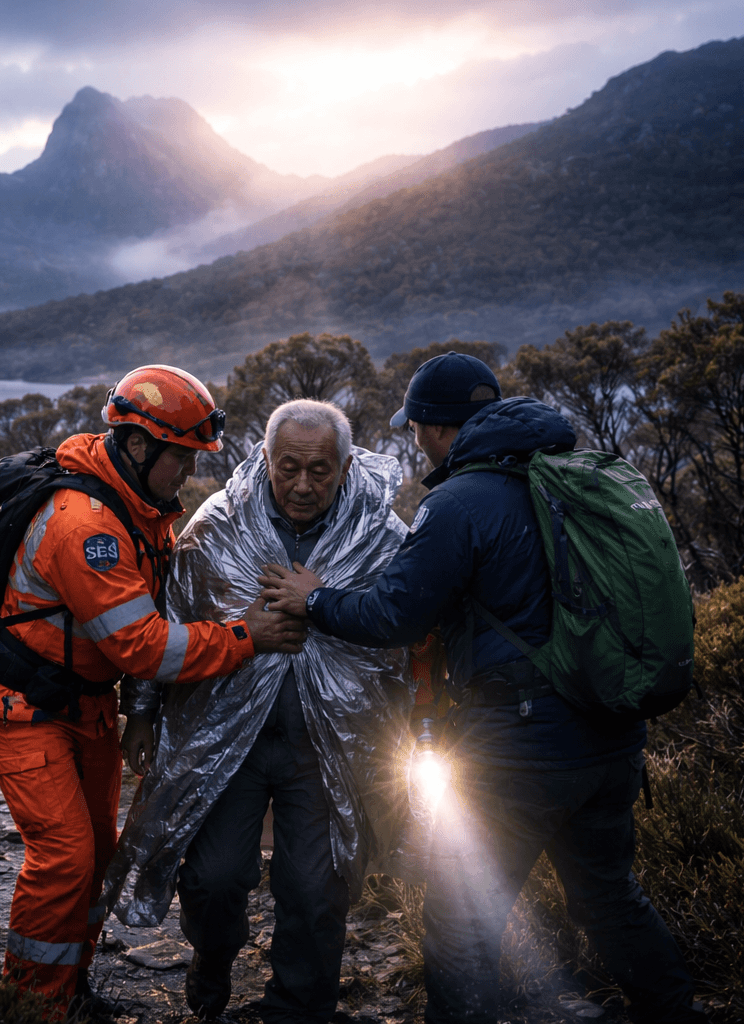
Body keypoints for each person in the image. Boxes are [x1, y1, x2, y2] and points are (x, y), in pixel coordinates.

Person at [258, 353, 702, 1024]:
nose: (413, 440)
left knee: (462, 916)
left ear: (438, 428)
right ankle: (677, 1012)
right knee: (607, 894)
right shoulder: (565, 477)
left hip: (520, 750)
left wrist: (314, 600)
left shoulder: (460, 501)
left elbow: (395, 616)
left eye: (415, 427)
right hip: (611, 737)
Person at [0, 365, 304, 1020]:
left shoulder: (140, 511)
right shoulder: (88, 529)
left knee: (97, 854)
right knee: (64, 859)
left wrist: (141, 712)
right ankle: (34, 1004)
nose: (189, 476)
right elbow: (144, 645)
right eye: (182, 459)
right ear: (139, 446)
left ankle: (68, 981)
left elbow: (154, 624)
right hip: (21, 706)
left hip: (79, 703)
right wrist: (245, 636)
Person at [109, 398, 409, 1022]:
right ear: (264, 459)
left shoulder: (380, 537)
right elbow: (165, 618)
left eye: (320, 470)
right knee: (214, 879)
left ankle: (297, 1007)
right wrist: (140, 711)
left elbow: (406, 635)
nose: (303, 484)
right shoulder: (218, 527)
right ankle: (212, 959)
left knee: (314, 888)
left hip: (327, 745)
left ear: (347, 465)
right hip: (227, 741)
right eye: (288, 466)